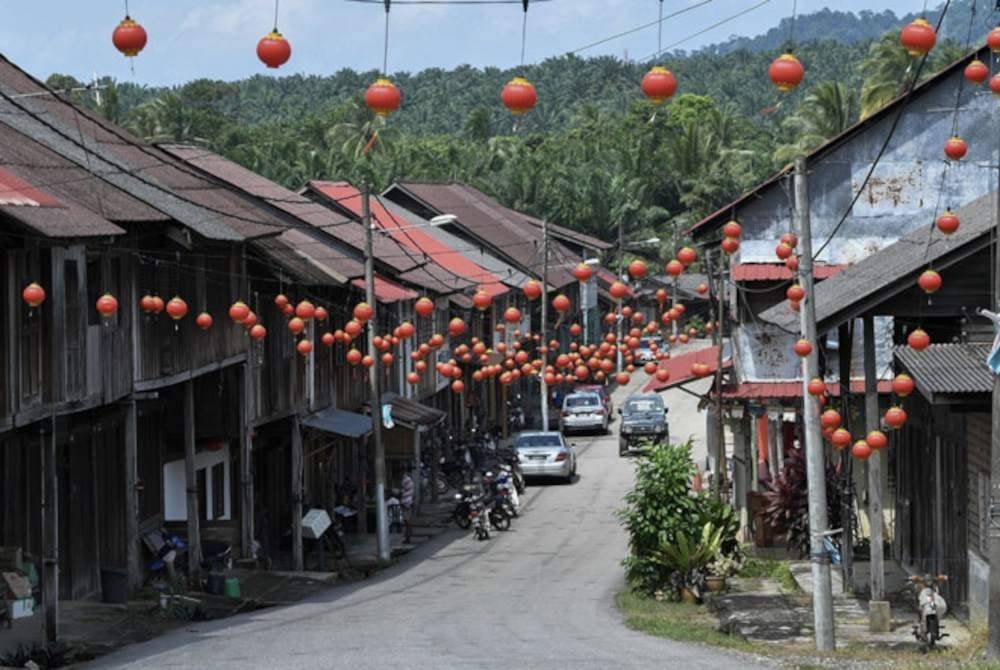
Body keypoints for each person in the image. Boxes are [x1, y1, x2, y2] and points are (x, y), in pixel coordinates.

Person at [401, 466, 415, 544]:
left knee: (407, 520)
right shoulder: (407, 479)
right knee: (406, 520)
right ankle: (408, 534)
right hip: (407, 502)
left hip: (407, 502)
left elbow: (408, 491)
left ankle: (408, 534)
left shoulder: (407, 480)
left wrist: (401, 492)